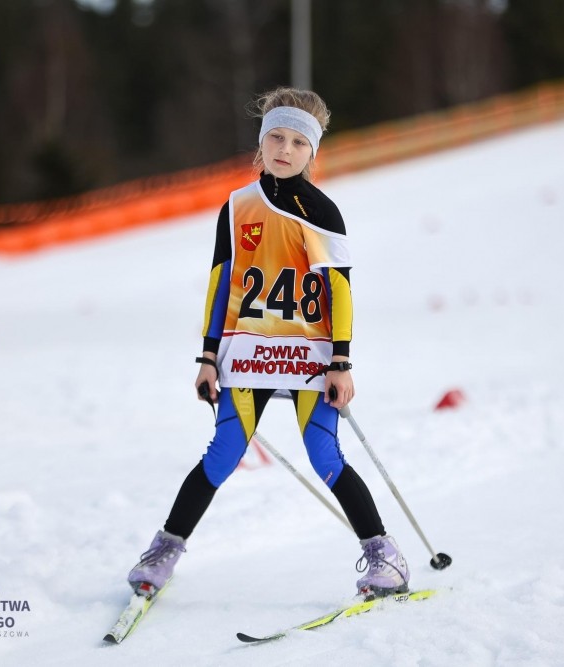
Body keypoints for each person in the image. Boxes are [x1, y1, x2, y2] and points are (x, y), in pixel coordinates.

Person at [127, 87, 409, 600]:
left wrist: (341, 362)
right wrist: (207, 357)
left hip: (309, 356)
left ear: (312, 151)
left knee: (325, 456)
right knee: (222, 454)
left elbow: (339, 291)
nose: (285, 149)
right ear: (261, 142)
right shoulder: (237, 206)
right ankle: (164, 550)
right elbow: (220, 284)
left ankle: (384, 557)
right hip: (246, 354)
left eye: (298, 142)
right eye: (276, 137)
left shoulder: (322, 211)